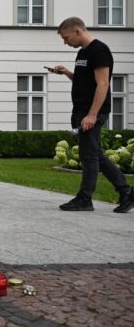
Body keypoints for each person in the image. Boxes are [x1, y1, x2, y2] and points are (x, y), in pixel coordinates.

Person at [52, 17, 133, 213]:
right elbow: (84, 80)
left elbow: (103, 84)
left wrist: (92, 115)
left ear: (77, 31)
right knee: (96, 154)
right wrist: (67, 73)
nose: (65, 42)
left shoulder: (99, 50)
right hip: (81, 110)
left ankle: (85, 198)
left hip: (92, 111)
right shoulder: (83, 52)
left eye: (66, 38)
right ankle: (126, 192)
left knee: (88, 155)